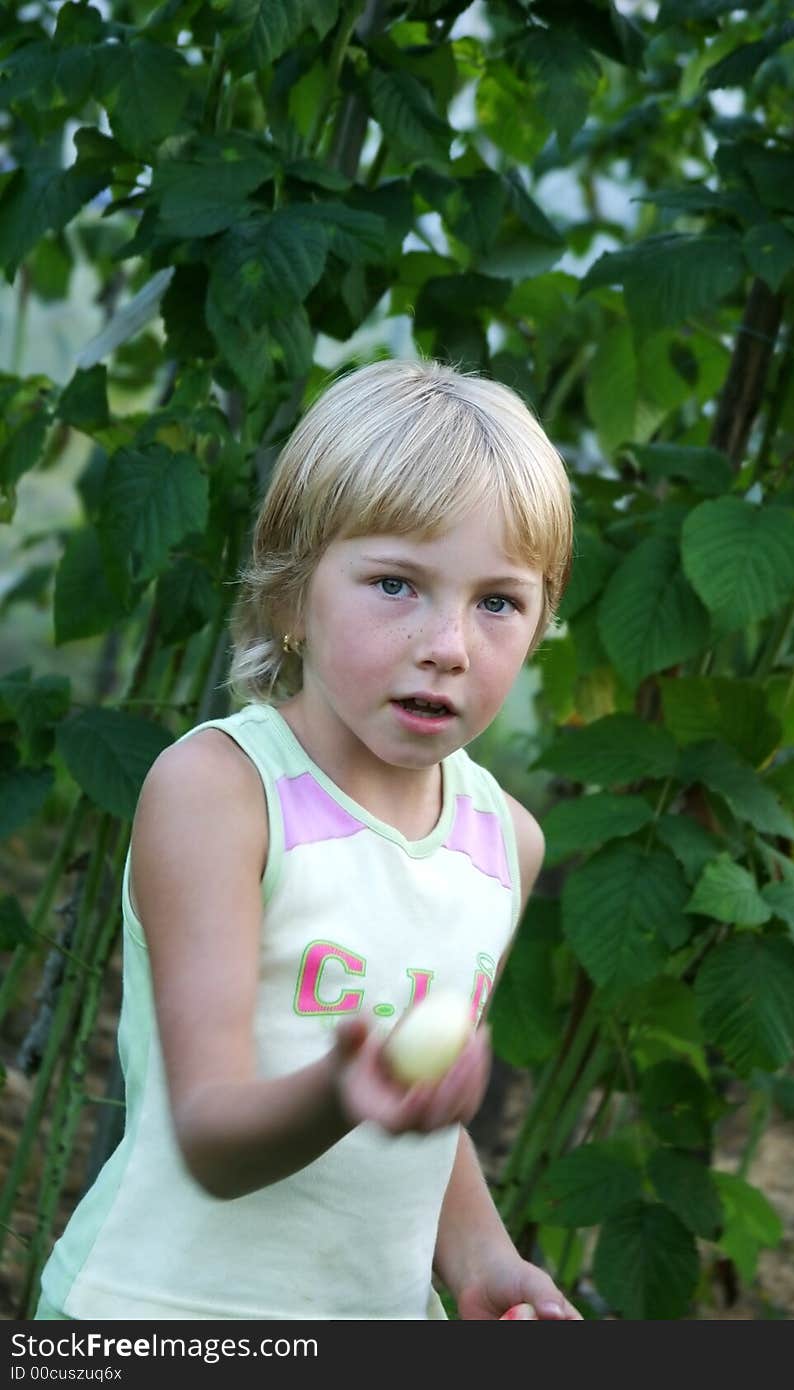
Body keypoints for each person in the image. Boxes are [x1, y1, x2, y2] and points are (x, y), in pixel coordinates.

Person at [38, 357, 578, 1321]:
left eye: (498, 601)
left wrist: (483, 1262)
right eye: (395, 584)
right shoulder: (225, 793)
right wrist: (343, 1089)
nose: (448, 643)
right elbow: (209, 1136)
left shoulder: (503, 843)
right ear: (291, 593)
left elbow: (418, 1114)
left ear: (541, 623)